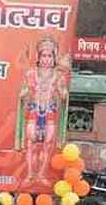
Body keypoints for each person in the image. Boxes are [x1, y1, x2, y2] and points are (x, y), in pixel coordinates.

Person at [15, 36, 70, 187]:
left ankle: (41, 175)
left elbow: (63, 93)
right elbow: (24, 91)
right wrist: (24, 94)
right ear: (39, 57)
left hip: (49, 115)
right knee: (31, 145)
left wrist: (63, 94)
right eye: (44, 55)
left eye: (50, 56)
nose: (46, 59)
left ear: (54, 58)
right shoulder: (31, 74)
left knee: (47, 146)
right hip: (34, 113)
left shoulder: (58, 76)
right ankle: (30, 175)